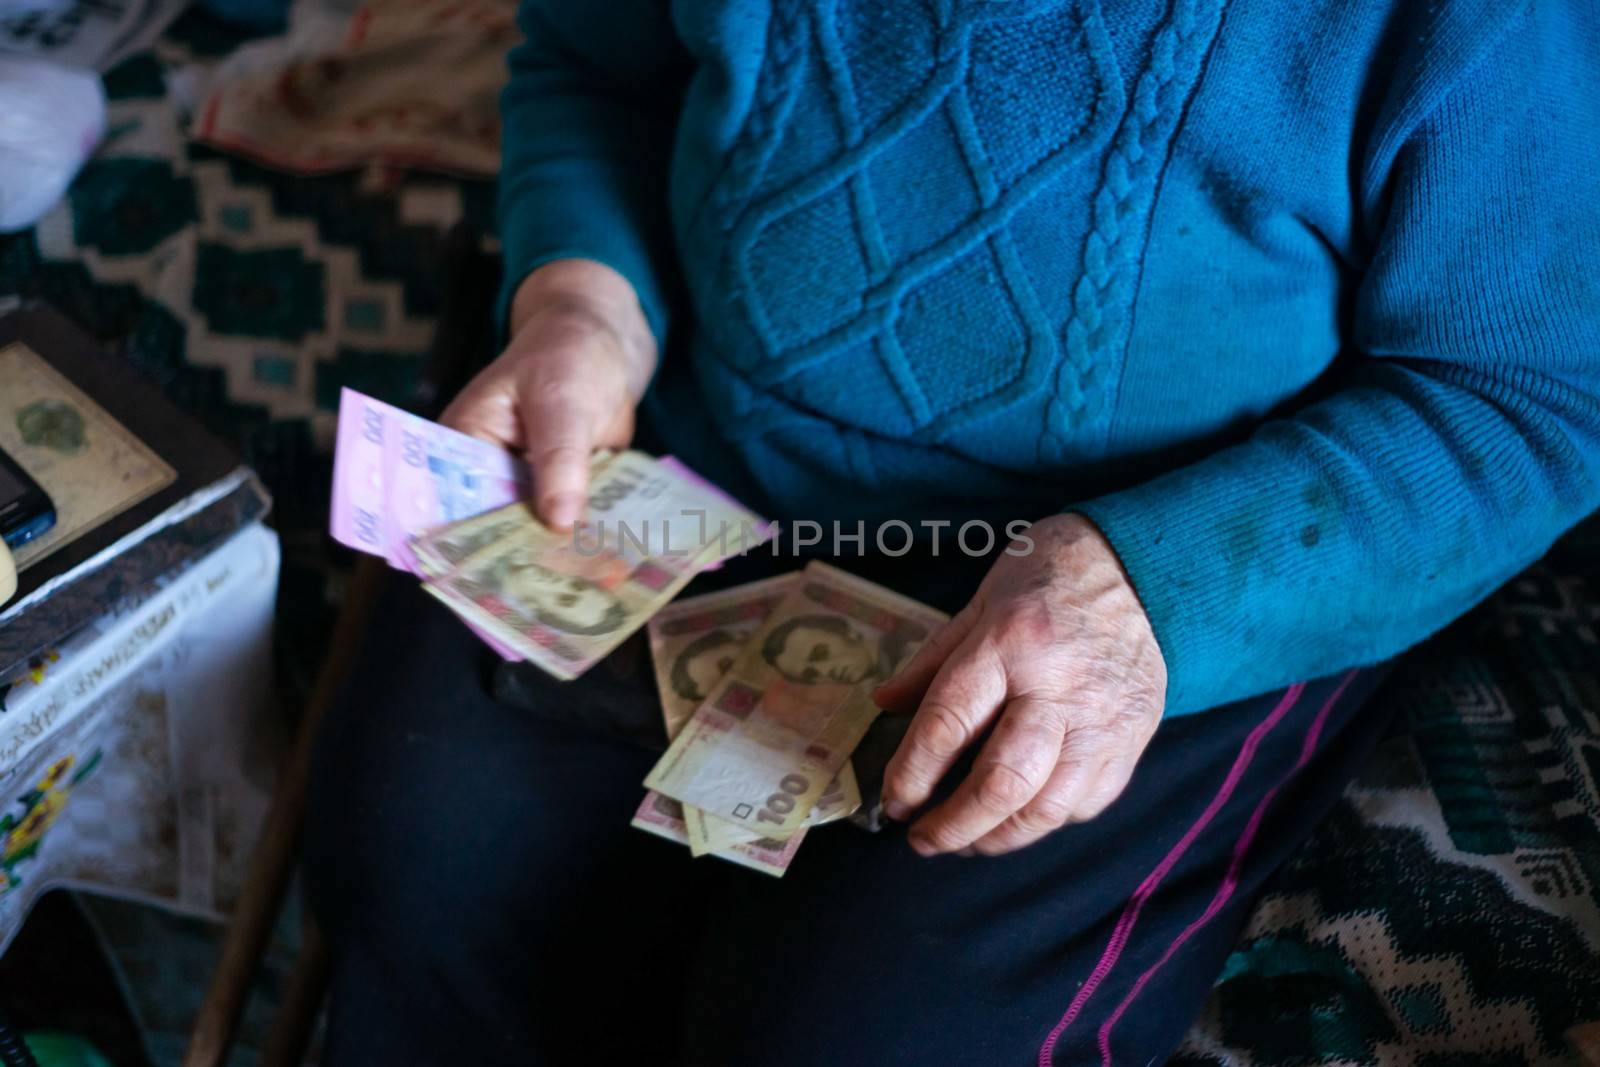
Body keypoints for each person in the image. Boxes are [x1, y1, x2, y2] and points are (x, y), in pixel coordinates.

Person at [306, 2, 1599, 1063]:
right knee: (413, 849)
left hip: (1167, 573)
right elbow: (593, 67)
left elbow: (1536, 390)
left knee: (862, 1037)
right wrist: (584, 304)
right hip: (703, 454)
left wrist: (1154, 590)